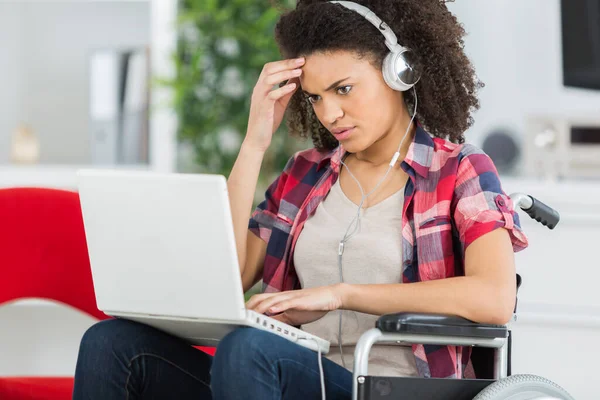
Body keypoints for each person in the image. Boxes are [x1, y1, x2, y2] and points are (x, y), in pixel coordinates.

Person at [72, 1, 528, 399]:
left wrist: (340, 296)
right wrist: (254, 142)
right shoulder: (305, 174)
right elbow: (229, 275)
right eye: (315, 98)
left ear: (398, 72)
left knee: (249, 351)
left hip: (392, 386)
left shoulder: (459, 170)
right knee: (110, 343)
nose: (330, 114)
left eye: (343, 89)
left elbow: (493, 297)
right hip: (286, 374)